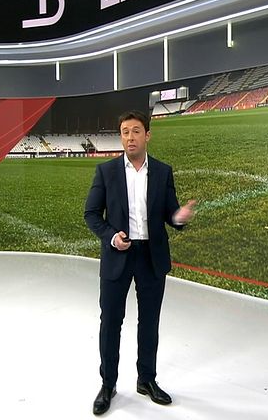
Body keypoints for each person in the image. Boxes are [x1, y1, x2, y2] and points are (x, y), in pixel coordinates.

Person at [84, 110, 196, 415]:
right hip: (117, 256)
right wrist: (111, 236)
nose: (130, 137)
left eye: (135, 131)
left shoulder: (162, 171)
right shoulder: (106, 171)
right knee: (111, 322)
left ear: (147, 135)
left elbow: (171, 213)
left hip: (151, 257)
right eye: (125, 132)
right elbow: (91, 214)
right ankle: (108, 385)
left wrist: (179, 217)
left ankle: (146, 379)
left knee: (149, 322)